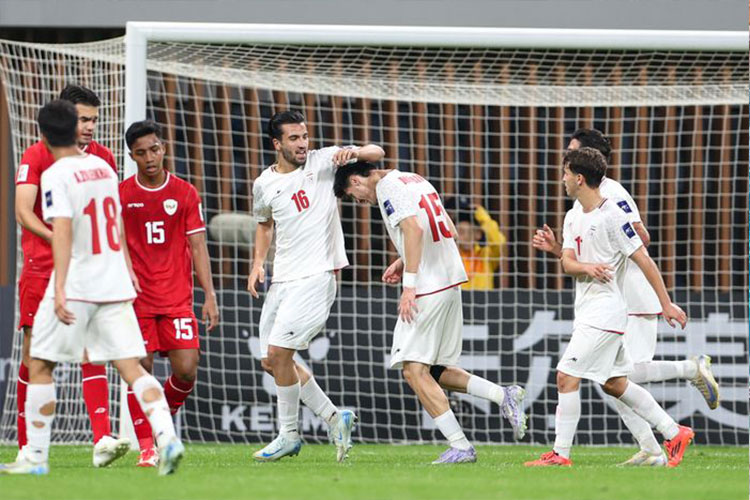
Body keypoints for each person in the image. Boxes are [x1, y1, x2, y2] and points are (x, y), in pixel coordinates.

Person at [0, 100, 183, 476]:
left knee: (39, 364)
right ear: (74, 128)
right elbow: (116, 225)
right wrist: (128, 270)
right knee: (132, 367)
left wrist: (62, 286)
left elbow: (63, 232)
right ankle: (167, 437)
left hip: (80, 282)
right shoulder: (102, 166)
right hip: (114, 281)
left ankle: (34, 457)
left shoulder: (56, 174)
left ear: (45, 136)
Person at [532, 128, 719, 466]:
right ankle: (665, 437)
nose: (562, 162)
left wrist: (664, 302)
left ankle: (563, 454)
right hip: (600, 300)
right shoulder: (575, 211)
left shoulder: (611, 197)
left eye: (569, 155)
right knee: (614, 381)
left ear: (583, 169)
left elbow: (639, 242)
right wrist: (562, 252)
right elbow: (577, 259)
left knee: (580, 376)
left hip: (627, 298)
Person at [333, 162, 527, 464]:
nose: (362, 202)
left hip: (427, 288)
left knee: (413, 369)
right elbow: (447, 228)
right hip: (451, 282)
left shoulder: (386, 187)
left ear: (357, 181)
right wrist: (403, 259)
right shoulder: (414, 178)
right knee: (436, 370)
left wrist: (409, 285)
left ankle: (460, 446)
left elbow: (413, 227)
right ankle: (504, 396)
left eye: (355, 196)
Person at [248, 110, 384, 463]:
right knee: (270, 360)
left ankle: (288, 434)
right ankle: (333, 417)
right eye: (294, 138)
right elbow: (264, 224)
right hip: (283, 279)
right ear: (277, 143)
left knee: (280, 353)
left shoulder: (324, 161)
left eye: (305, 136)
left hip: (318, 276)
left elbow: (377, 153)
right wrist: (258, 263)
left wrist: (352, 153)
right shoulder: (264, 183)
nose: (302, 143)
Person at [13, 84, 125, 467]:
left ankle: (102, 440)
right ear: (65, 118)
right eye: (83, 118)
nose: (90, 126)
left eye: (95, 119)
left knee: (91, 349)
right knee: (34, 355)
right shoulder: (37, 154)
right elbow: (23, 212)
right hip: (42, 267)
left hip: (86, 269)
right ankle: (26, 446)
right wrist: (62, 236)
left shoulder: (104, 157)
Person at [119, 120, 220, 467]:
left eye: (155, 149)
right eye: (142, 152)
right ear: (132, 156)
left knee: (187, 369)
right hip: (137, 301)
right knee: (141, 370)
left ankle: (162, 421)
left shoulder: (185, 193)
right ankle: (148, 447)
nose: (150, 157)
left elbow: (197, 245)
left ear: (163, 148)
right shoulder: (121, 194)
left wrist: (209, 295)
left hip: (177, 299)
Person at [453, 200, 506, 290]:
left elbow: (498, 242)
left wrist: (482, 216)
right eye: (460, 232)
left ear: (478, 234)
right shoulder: (452, 257)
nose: (464, 236)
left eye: (469, 232)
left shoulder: (486, 255)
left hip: (484, 302)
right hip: (459, 301)